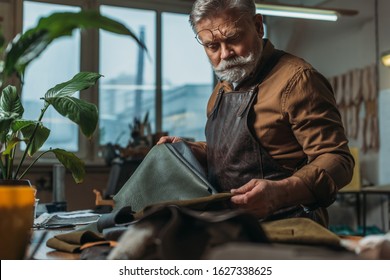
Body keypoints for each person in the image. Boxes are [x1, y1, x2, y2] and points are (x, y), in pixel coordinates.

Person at [157, 0, 354, 227]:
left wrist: (281, 193)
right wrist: (191, 151)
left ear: (258, 26)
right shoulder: (221, 90)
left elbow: (338, 159)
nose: (225, 54)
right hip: (230, 227)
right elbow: (235, 154)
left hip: (288, 229)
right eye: (212, 46)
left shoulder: (298, 80)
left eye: (233, 39)